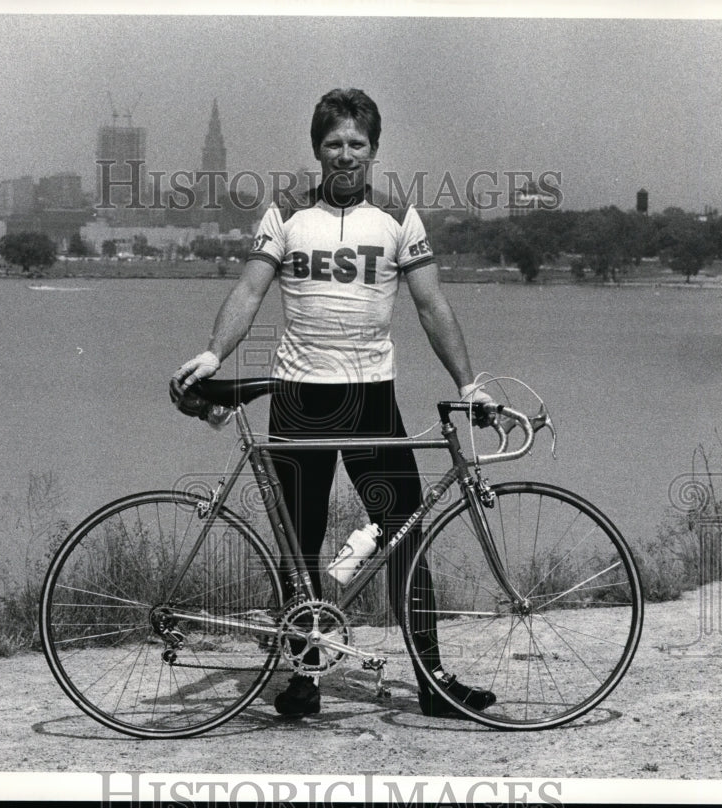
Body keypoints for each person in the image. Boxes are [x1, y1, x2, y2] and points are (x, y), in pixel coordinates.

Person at [172, 88, 496, 719]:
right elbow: (248, 291)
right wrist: (213, 354)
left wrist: (467, 384)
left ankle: (432, 681)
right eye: (333, 144)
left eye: (357, 144)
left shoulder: (399, 215)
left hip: (372, 398)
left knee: (404, 536)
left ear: (373, 149)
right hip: (299, 400)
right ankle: (302, 676)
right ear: (317, 149)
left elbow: (432, 306)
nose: (345, 155)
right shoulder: (287, 211)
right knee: (299, 544)